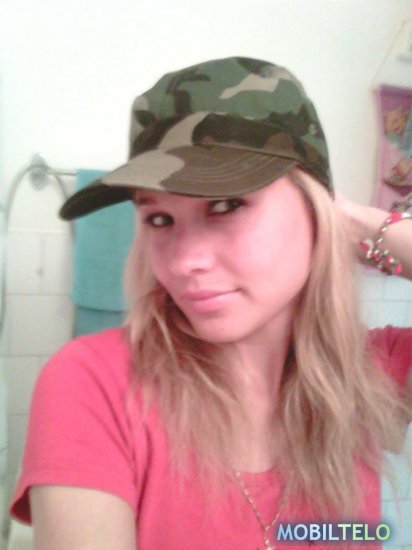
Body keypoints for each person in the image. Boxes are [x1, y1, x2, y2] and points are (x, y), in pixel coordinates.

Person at [8, 57, 412, 550]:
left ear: (315, 211)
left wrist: (361, 223)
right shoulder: (95, 384)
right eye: (159, 219)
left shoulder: (374, 373)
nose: (185, 261)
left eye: (227, 205)